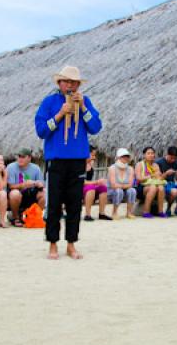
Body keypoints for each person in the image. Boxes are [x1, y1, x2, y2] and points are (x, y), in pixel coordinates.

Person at [34, 65, 102, 260]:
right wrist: (60, 114)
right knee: (54, 204)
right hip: (56, 160)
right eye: (67, 82)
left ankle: (71, 244)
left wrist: (83, 108)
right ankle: (53, 244)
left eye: (74, 82)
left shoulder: (85, 101)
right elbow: (41, 130)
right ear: (60, 83)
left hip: (77, 160)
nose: (70, 85)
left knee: (74, 204)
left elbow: (95, 127)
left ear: (78, 85)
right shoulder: (49, 102)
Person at [6, 148, 45, 227]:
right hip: (16, 194)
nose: (20, 159)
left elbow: (42, 183)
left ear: (29, 158)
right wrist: (24, 185)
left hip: (31, 193)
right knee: (15, 194)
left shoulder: (36, 168)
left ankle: (34, 215)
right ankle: (15, 217)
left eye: (23, 157)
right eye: (19, 156)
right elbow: (10, 186)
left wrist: (39, 184)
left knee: (44, 193)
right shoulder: (11, 167)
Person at [135, 147, 166, 218]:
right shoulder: (139, 165)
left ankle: (160, 211)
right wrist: (151, 176)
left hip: (154, 185)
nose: (151, 155)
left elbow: (159, 179)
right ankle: (146, 211)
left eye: (152, 153)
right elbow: (138, 179)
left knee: (161, 187)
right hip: (141, 187)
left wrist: (164, 175)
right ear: (144, 155)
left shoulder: (155, 165)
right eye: (148, 153)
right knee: (153, 188)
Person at [157, 146, 177, 216]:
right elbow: (158, 179)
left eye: (174, 158)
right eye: (171, 158)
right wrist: (166, 174)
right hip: (163, 183)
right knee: (174, 191)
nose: (173, 160)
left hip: (172, 183)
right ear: (167, 154)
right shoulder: (159, 162)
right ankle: (168, 208)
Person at [107, 148, 137, 219]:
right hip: (112, 191)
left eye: (127, 156)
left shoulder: (130, 169)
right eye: (123, 156)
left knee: (132, 190)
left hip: (125, 191)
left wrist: (121, 186)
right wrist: (124, 186)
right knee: (118, 191)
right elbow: (113, 185)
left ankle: (129, 213)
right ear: (118, 157)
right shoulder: (112, 168)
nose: (125, 158)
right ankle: (114, 213)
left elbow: (130, 184)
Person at [83, 148, 111, 222]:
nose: (94, 157)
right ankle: (87, 214)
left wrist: (99, 182)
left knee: (103, 188)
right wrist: (96, 182)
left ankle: (101, 213)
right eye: (92, 155)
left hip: (88, 185)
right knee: (91, 188)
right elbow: (81, 181)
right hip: (78, 187)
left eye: (94, 155)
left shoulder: (90, 165)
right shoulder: (78, 165)